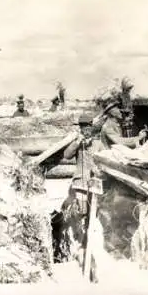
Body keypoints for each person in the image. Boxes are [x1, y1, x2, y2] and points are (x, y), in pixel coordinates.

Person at [57, 113, 104, 282]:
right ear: (80, 128)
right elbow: (67, 155)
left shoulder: (98, 143)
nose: (86, 129)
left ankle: (93, 251)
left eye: (88, 126)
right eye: (83, 127)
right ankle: (81, 247)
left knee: (94, 220)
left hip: (95, 185)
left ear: (92, 126)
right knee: (82, 217)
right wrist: (78, 142)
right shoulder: (78, 143)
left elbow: (104, 160)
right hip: (80, 184)